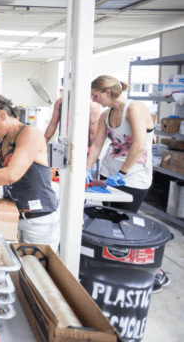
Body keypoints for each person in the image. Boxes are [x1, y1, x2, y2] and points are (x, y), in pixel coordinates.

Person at [86, 75, 168, 292]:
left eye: (95, 95)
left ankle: (154, 272)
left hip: (133, 176)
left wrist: (122, 173)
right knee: (107, 221)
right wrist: (87, 167)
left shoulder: (135, 108)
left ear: (107, 92)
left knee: (128, 225)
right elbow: (96, 144)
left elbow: (140, 144)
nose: (94, 100)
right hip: (108, 173)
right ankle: (114, 267)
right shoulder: (106, 114)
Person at [0, 94, 61, 249]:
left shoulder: (30, 134)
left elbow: (11, 174)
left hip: (38, 220)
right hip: (13, 215)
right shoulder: (4, 140)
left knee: (36, 268)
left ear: (2, 115)